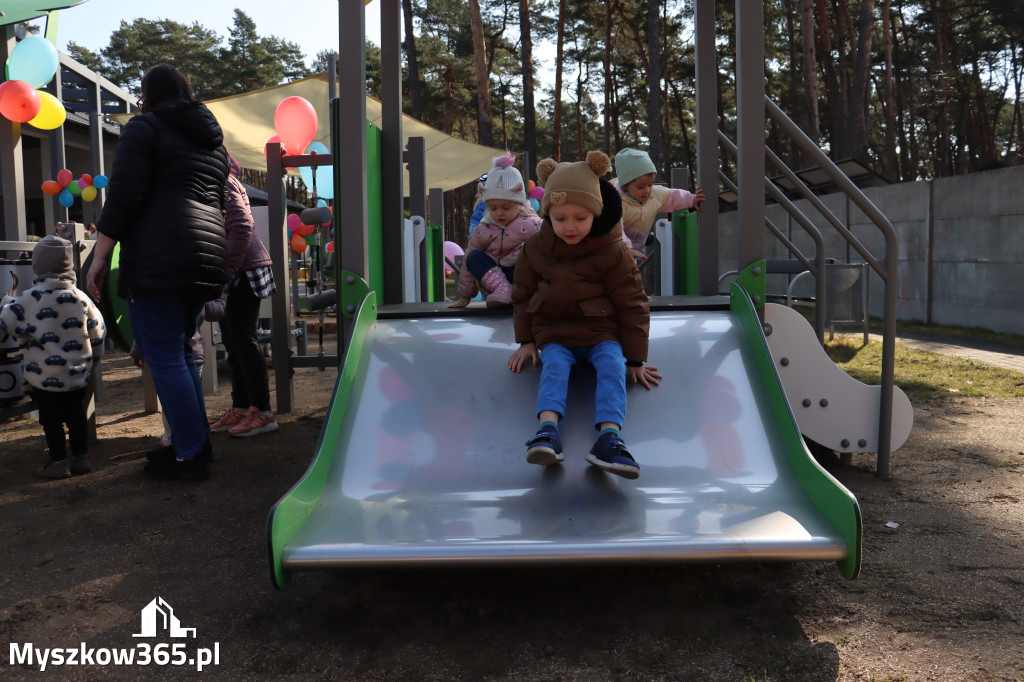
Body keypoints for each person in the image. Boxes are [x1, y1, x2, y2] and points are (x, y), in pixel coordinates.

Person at [86, 63, 230, 482]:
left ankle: (190, 451)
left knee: (165, 356)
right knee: (181, 352)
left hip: (159, 257)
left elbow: (125, 196)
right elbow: (217, 205)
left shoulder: (144, 128)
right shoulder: (215, 145)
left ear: (147, 94)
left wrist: (99, 257)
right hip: (204, 257)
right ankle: (194, 443)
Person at [508, 152, 662, 480]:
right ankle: (547, 431)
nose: (570, 226)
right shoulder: (535, 247)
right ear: (548, 213)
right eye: (560, 217)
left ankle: (609, 437)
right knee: (554, 366)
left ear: (596, 213)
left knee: (612, 366)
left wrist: (635, 358)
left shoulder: (612, 250)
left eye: (580, 217)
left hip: (600, 332)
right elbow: (521, 293)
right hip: (555, 331)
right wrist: (526, 339)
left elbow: (633, 301)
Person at [0, 235, 106, 479]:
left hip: (44, 376)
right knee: (76, 415)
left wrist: (7, 300)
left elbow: (10, 322)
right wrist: (95, 360)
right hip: (76, 373)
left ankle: (58, 461)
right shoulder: (80, 297)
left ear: (38, 265)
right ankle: (81, 458)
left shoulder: (30, 297)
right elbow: (97, 329)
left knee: (51, 419)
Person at [208, 155, 279, 437]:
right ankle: (240, 407)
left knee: (243, 340)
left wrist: (227, 272)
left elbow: (241, 228)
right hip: (236, 269)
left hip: (242, 271)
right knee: (232, 342)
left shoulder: (224, 184)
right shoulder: (219, 183)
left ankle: (262, 412)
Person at [131, 294, 225, 447]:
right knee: (191, 397)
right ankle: (195, 433)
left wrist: (139, 349)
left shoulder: (158, 292)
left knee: (171, 398)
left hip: (168, 353)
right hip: (193, 351)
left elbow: (145, 322)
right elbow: (216, 311)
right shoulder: (194, 288)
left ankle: (172, 435)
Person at [450, 155, 541, 309]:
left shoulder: (532, 224)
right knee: (473, 256)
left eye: (506, 208)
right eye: (493, 208)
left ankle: (529, 294)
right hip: (496, 281)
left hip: (523, 276)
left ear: (519, 204)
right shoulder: (483, 229)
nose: (499, 213)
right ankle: (503, 291)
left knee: (535, 250)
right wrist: (465, 295)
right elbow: (467, 264)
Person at [613, 147, 706, 252]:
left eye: (650, 184)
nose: (647, 190)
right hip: (615, 247)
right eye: (640, 187)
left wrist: (692, 199)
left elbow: (672, 196)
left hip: (636, 247)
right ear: (625, 186)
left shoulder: (655, 194)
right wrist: (626, 248)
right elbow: (616, 228)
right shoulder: (616, 201)